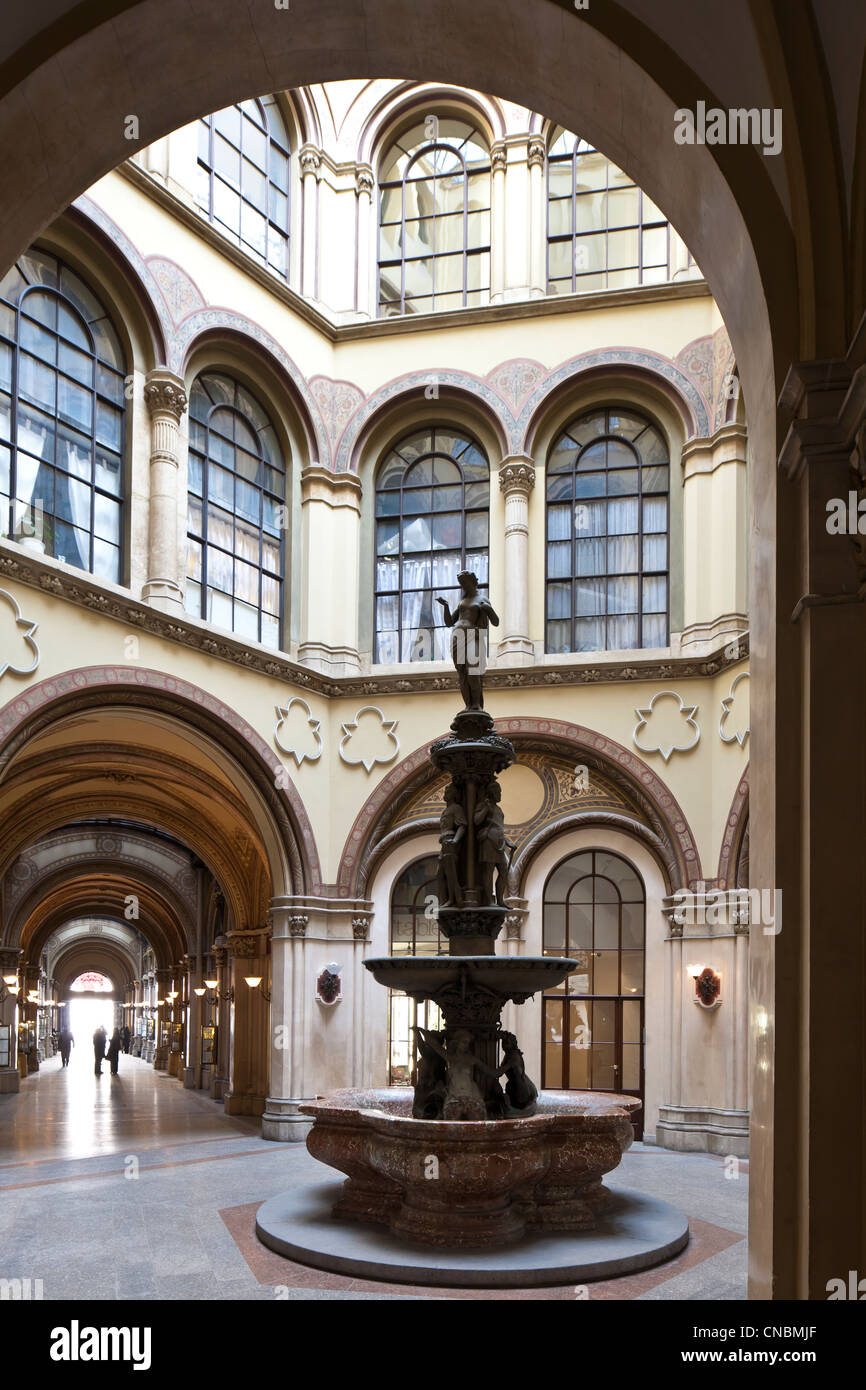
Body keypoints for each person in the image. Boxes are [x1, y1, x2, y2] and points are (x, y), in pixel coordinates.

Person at [435, 570, 499, 710]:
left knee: (473, 671)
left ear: (473, 582)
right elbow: (449, 622)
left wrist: (488, 609)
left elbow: (496, 622)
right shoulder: (462, 602)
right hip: (458, 637)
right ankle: (468, 705)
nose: (463, 585)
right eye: (461, 583)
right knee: (462, 673)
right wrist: (445, 606)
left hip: (473, 637)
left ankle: (476, 704)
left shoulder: (482, 599)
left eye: (465, 582)